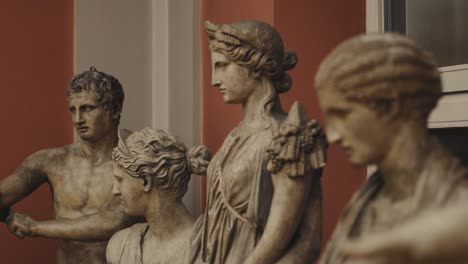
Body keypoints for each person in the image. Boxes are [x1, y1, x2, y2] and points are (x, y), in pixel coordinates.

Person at [315, 33, 468, 264]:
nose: (332, 136)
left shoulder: (452, 206)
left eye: (343, 115)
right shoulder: (367, 201)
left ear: (390, 105)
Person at [188, 20, 327, 264]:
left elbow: (307, 241)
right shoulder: (234, 136)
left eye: (222, 66)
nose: (213, 80)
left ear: (254, 64)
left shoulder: (288, 134)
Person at [0, 67, 138, 264]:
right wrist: (9, 217)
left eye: (87, 108)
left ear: (114, 110)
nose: (78, 119)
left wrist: (34, 227)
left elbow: (115, 221)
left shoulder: (134, 160)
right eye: (73, 110)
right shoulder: (52, 161)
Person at [106, 128, 210, 264]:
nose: (115, 190)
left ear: (145, 181)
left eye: (120, 180)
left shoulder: (210, 249)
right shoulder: (120, 247)